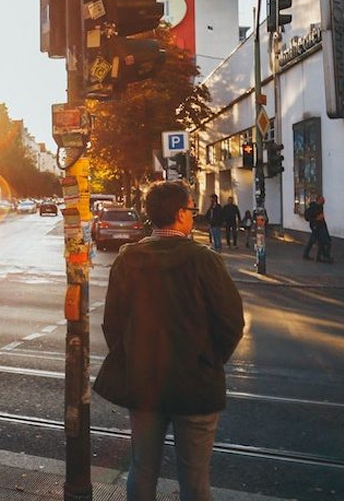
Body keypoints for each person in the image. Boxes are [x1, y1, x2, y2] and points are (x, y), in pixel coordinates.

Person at [95, 180, 244, 501]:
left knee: (142, 469)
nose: (193, 215)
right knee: (195, 479)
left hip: (145, 383)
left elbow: (113, 323)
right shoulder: (204, 260)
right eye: (191, 209)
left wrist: (135, 357)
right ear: (179, 214)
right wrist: (209, 359)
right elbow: (231, 321)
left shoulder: (128, 259)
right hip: (196, 385)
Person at [302, 195, 332, 263]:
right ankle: (323, 256)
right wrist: (315, 219)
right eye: (322, 199)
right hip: (316, 226)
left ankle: (316, 256)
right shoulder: (313, 208)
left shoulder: (320, 207)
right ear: (319, 200)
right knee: (324, 241)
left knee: (315, 241)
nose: (324, 201)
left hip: (320, 226)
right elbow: (307, 217)